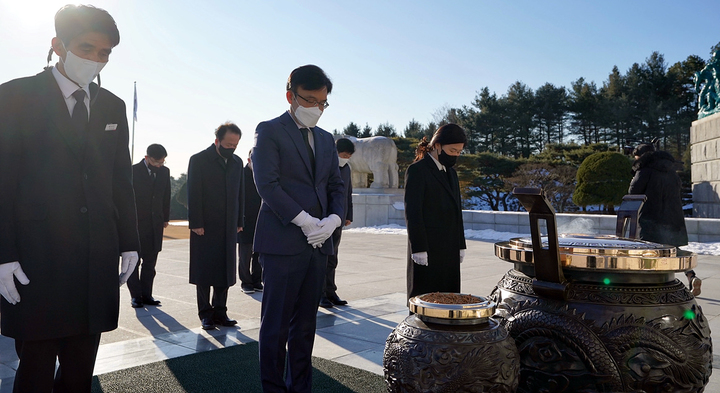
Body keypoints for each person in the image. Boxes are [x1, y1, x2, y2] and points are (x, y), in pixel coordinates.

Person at [0, 5, 140, 392]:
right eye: (87, 47)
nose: (96, 59)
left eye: (105, 52)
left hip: (95, 260)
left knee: (80, 373)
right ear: (58, 45)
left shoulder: (112, 105)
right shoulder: (14, 96)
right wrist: (3, 253)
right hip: (36, 260)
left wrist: (129, 241)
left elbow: (119, 180)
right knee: (35, 372)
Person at [252, 64, 345, 393]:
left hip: (318, 244)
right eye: (310, 101)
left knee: (305, 327)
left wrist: (333, 221)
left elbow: (337, 186)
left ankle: (300, 388)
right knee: (275, 327)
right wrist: (305, 220)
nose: (316, 109)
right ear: (290, 95)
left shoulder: (325, 138)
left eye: (322, 103)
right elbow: (268, 185)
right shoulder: (270, 130)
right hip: (282, 241)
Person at [187, 122, 244, 330]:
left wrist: (240, 221)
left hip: (228, 225)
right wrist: (196, 222)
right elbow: (193, 193)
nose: (231, 148)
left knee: (225, 271)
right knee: (204, 271)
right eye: (228, 144)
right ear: (217, 141)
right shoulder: (199, 160)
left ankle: (221, 312)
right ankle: (205, 314)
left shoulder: (237, 163)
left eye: (235, 145)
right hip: (205, 225)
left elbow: (240, 194)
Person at [404, 124, 467, 302]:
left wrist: (461, 244)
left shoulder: (452, 174)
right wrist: (419, 248)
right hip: (428, 249)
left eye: (459, 152)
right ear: (437, 145)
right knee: (426, 299)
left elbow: (457, 211)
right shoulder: (418, 170)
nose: (455, 155)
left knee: (449, 299)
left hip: (450, 248)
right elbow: (413, 211)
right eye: (452, 150)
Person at [629, 143, 699, 295]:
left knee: (647, 249)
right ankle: (691, 276)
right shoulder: (671, 170)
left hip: (651, 217)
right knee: (673, 249)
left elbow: (633, 192)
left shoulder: (645, 170)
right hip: (673, 216)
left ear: (641, 157)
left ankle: (652, 285)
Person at [128, 144, 171, 308]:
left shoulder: (164, 172)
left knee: (150, 262)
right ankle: (135, 296)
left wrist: (165, 217)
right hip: (137, 223)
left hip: (155, 224)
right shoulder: (133, 171)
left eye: (163, 162)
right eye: (157, 162)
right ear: (147, 158)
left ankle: (147, 294)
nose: (160, 165)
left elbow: (166, 195)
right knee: (134, 262)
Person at [319, 138, 355, 308]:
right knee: (323, 258)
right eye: (344, 154)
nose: (346, 158)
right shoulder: (325, 166)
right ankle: (320, 294)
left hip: (339, 219)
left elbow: (348, 193)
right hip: (325, 219)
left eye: (349, 156)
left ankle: (331, 291)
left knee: (333, 258)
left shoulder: (347, 169)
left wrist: (348, 214)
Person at [238, 149, 263, 294]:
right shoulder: (240, 175)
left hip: (261, 219)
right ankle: (245, 282)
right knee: (245, 253)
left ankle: (256, 280)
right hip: (245, 220)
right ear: (249, 160)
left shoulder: (263, 174)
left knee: (259, 252)